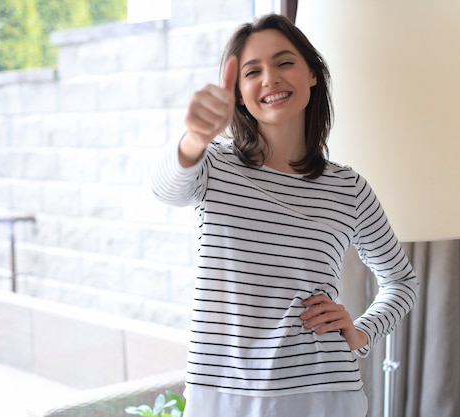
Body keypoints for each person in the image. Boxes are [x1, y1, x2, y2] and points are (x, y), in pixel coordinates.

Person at [151, 13, 419, 417]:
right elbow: (164, 188)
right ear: (239, 93)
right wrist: (195, 138)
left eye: (284, 62)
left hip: (325, 392)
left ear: (312, 73)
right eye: (252, 71)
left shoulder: (349, 188)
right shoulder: (215, 166)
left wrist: (360, 331)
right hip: (224, 393)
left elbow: (402, 282)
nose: (270, 79)